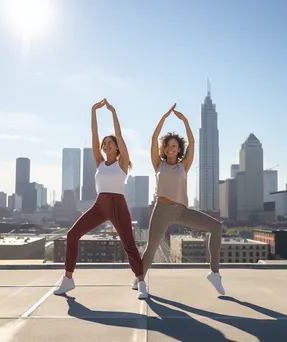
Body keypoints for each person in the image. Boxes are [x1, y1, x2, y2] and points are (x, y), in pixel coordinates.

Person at [54, 99, 147, 299]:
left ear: (117, 148)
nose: (105, 145)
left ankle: (141, 282)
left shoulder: (122, 164)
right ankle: (68, 279)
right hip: (99, 205)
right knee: (72, 235)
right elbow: (94, 135)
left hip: (117, 205)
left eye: (109, 143)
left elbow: (120, 135)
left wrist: (113, 112)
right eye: (104, 144)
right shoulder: (100, 163)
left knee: (129, 245)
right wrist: (93, 111)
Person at [133, 103, 225, 295]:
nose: (171, 148)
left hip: (182, 211)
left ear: (178, 148)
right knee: (152, 247)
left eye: (174, 145)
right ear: (164, 149)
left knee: (216, 227)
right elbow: (152, 138)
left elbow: (192, 142)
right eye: (167, 146)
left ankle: (214, 274)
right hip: (162, 210)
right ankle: (140, 281)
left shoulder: (184, 165)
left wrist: (184, 121)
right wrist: (164, 118)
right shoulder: (158, 164)